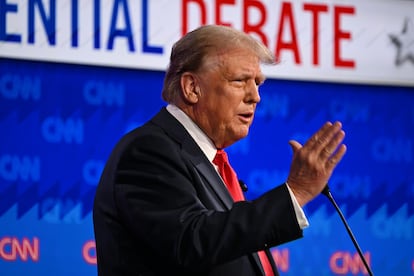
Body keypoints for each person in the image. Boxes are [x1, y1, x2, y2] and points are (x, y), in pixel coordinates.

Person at [93, 24, 346, 276]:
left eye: (257, 83)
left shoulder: (209, 160)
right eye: (240, 81)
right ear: (192, 88)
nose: (255, 96)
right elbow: (190, 241)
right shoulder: (147, 150)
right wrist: (296, 193)